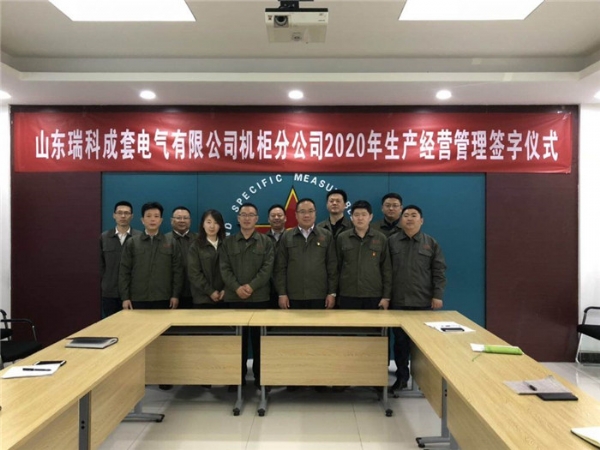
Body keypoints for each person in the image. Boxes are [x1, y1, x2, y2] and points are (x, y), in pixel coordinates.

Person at [388, 204, 446, 391]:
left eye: (414, 215)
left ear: (421, 220)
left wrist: (437, 295)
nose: (409, 219)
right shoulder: (391, 241)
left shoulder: (431, 243)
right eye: (406, 215)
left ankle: (424, 383)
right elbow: (385, 271)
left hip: (423, 302)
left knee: (422, 345)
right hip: (398, 301)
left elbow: (439, 271)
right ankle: (402, 378)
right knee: (400, 343)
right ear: (401, 220)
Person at [220, 203, 274, 389]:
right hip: (235, 299)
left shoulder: (266, 242)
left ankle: (261, 378)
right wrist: (236, 288)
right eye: (244, 214)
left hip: (259, 298)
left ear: (257, 218)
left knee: (259, 341)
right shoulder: (228, 242)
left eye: (251, 215)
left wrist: (251, 286)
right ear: (238, 218)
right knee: (237, 341)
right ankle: (236, 379)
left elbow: (267, 268)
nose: (247, 218)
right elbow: (224, 268)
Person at [119, 201, 184, 311]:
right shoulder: (132, 242)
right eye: (148, 216)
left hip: (164, 298)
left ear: (161, 220)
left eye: (156, 216)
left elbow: (178, 271)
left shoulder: (171, 242)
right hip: (138, 298)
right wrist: (125, 298)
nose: (152, 219)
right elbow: (124, 271)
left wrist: (175, 295)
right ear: (142, 220)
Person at [275, 198, 338, 310]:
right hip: (293, 296)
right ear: (296, 215)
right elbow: (280, 267)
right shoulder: (287, 236)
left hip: (319, 295)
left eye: (310, 211)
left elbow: (332, 266)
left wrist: (332, 293)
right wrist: (282, 293)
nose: (307, 215)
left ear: (315, 213)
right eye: (302, 212)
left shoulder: (326, 235)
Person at [336, 200, 391, 310]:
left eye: (364, 215)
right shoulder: (342, 238)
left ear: (370, 217)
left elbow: (386, 269)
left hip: (373, 295)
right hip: (348, 294)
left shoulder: (381, 238)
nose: (360, 218)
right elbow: (336, 267)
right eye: (356, 215)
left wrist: (386, 296)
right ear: (351, 217)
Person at [100, 200, 141, 317]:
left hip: (134, 293)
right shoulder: (104, 237)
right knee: (112, 325)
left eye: (127, 213)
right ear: (114, 215)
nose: (123, 216)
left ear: (132, 216)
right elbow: (101, 265)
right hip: (110, 293)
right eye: (119, 213)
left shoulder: (139, 237)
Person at [187, 209, 226, 309]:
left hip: (224, 298)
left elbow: (232, 270)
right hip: (202, 299)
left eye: (216, 223)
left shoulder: (227, 245)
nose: (212, 226)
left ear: (220, 225)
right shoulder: (195, 246)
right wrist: (210, 292)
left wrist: (225, 290)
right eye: (208, 222)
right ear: (203, 225)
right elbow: (194, 273)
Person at [165, 206, 197, 309]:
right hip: (170, 295)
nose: (182, 221)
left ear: (190, 221)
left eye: (185, 218)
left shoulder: (199, 240)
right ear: (171, 220)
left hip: (196, 293)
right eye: (178, 218)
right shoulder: (163, 240)